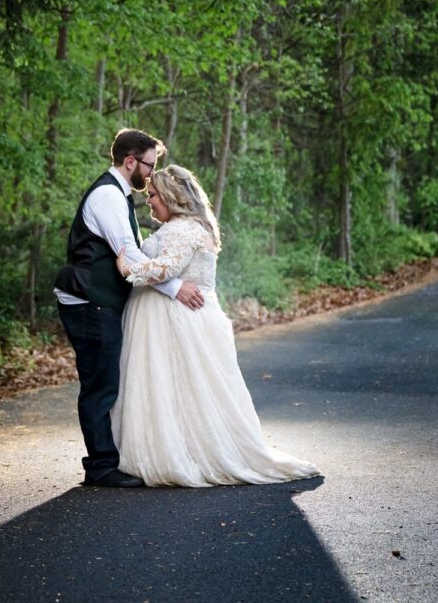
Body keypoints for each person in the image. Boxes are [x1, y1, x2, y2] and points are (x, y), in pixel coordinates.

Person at [113, 165, 319, 487]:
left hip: (177, 319)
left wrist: (127, 267)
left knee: (177, 387)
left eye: (153, 195)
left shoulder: (182, 229)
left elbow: (166, 269)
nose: (149, 202)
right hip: (191, 316)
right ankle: (188, 446)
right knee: (192, 390)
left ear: (171, 196)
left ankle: (180, 453)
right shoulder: (195, 226)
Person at [54, 129, 206, 488]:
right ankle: (101, 467)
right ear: (130, 161)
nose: (152, 175)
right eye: (150, 166)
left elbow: (131, 254)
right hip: (88, 300)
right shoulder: (107, 196)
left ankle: (108, 459)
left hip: (99, 299)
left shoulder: (118, 195)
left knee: (107, 380)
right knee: (100, 384)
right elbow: (130, 255)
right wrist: (175, 288)